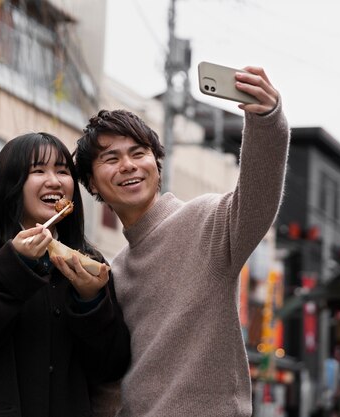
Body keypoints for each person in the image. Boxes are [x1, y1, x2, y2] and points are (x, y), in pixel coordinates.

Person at [74, 66, 290, 416]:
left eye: (139, 153)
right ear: (92, 184)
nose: (128, 165)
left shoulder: (204, 220)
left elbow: (258, 200)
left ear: (157, 165)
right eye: (111, 159)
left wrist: (267, 120)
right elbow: (110, 380)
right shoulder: (113, 274)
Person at [0, 132, 131, 417]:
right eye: (38, 170)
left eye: (63, 171)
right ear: (11, 183)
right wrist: (15, 265)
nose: (54, 180)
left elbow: (110, 366)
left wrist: (90, 302)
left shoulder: (86, 262)